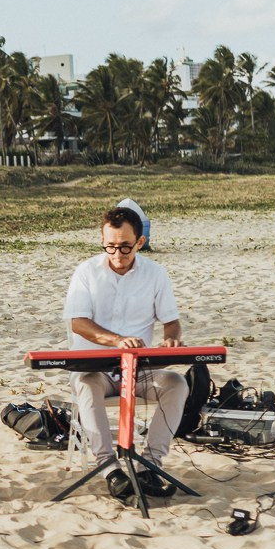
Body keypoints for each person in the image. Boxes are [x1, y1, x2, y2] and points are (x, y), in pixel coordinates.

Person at [63, 206, 189, 503]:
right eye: (109, 246)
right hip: (95, 371)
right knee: (87, 383)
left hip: (138, 370)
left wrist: (172, 340)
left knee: (177, 384)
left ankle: (149, 466)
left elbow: (171, 321)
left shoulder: (156, 274)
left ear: (140, 242)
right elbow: (78, 322)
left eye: (125, 247)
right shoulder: (86, 272)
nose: (117, 254)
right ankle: (110, 469)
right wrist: (116, 341)